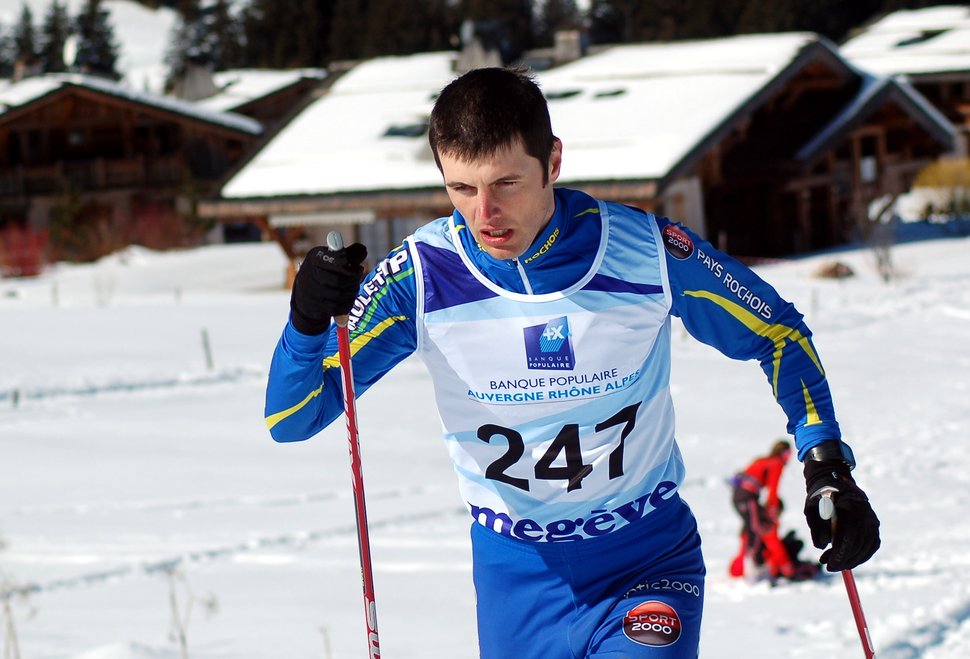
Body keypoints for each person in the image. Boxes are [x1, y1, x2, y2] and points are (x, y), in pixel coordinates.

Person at [264, 67, 880, 658]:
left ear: (553, 161)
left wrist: (826, 463)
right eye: (462, 189)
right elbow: (293, 418)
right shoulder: (421, 276)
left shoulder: (645, 253)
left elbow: (777, 334)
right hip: (516, 579)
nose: (485, 213)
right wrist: (306, 323)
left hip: (646, 558)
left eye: (507, 183)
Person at [729, 440, 817, 582]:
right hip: (747, 497)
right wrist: (772, 511)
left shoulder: (763, 460)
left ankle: (740, 569)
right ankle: (751, 571)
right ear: (784, 454)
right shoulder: (776, 463)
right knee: (755, 531)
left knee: (750, 531)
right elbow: (773, 489)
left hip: (740, 496)